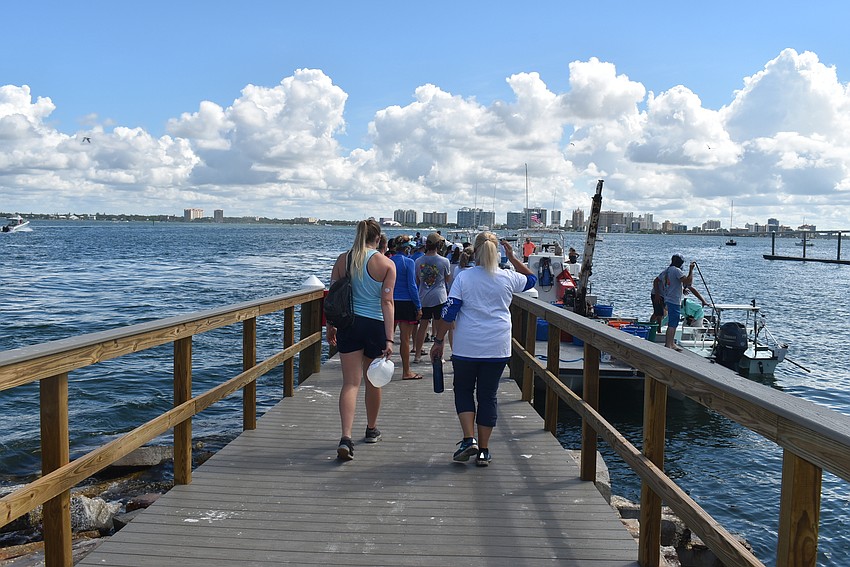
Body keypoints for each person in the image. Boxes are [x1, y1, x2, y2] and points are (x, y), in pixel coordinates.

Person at [430, 232, 536, 467]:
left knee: (464, 390)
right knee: (488, 395)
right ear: (496, 252)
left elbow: (450, 313)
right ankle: (484, 451)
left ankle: (469, 440)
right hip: (498, 347)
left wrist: (438, 342)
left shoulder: (465, 278)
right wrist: (514, 257)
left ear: (475, 251)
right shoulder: (508, 277)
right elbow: (531, 279)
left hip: (467, 346)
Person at [326, 219, 396, 461]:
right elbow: (387, 303)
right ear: (378, 239)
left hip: (348, 324)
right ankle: (371, 429)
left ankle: (345, 437)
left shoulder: (343, 259)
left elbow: (333, 298)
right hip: (375, 326)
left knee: (350, 384)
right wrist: (389, 339)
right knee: (373, 382)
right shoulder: (386, 264)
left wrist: (330, 326)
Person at [412, 232, 452, 363]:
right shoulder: (444, 261)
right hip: (440, 297)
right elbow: (447, 279)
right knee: (440, 329)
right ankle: (439, 355)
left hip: (423, 297)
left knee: (423, 327)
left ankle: (417, 355)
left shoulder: (418, 261)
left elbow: (417, 280)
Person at [390, 237, 423, 380]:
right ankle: (406, 371)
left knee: (387, 338)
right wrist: (418, 306)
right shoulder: (408, 262)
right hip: (406, 302)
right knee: (405, 339)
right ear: (408, 248)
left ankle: (381, 369)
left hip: (390, 301)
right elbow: (412, 285)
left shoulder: (389, 261)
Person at [657, 253, 695, 350]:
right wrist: (691, 270)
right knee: (673, 323)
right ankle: (668, 344)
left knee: (673, 322)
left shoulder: (667, 270)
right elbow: (687, 281)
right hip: (674, 300)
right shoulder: (677, 270)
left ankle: (671, 343)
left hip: (668, 298)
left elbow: (660, 281)